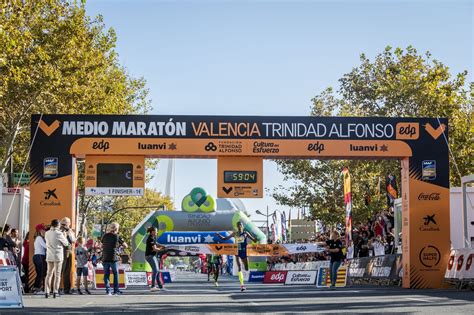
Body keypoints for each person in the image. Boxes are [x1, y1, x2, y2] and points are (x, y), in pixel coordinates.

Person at [216, 221, 256, 292]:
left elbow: (254, 240)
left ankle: (245, 270)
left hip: (244, 251)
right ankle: (242, 285)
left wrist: (255, 237)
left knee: (246, 268)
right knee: (239, 267)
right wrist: (219, 235)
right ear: (237, 227)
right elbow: (225, 239)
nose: (240, 226)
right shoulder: (235, 233)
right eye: (238, 225)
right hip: (237, 251)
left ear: (242, 226)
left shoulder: (246, 233)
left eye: (241, 225)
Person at [45, 219, 70, 298]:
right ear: (58, 225)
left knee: (49, 274)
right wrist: (65, 236)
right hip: (58, 256)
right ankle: (55, 291)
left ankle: (47, 291)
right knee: (57, 274)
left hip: (49, 255)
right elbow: (66, 243)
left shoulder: (47, 233)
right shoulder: (59, 233)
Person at [101, 222, 127, 296]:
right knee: (115, 274)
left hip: (105, 257)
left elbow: (102, 244)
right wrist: (119, 249)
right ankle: (116, 290)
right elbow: (125, 245)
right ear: (116, 228)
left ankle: (108, 290)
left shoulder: (104, 236)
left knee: (106, 275)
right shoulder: (117, 236)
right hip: (113, 257)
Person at [145, 226, 164, 292]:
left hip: (152, 256)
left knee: (157, 270)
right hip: (149, 256)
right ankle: (152, 286)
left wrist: (162, 245)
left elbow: (156, 244)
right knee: (155, 270)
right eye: (156, 231)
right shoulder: (150, 238)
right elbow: (155, 249)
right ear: (152, 232)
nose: (157, 232)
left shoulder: (154, 237)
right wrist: (162, 249)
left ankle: (160, 286)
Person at [60, 217, 76, 294]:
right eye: (64, 223)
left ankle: (67, 289)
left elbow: (73, 240)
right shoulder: (59, 230)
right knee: (60, 271)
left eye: (67, 223)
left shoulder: (70, 231)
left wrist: (70, 232)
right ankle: (58, 288)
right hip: (61, 252)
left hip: (69, 252)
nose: (66, 225)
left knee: (67, 271)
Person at [32, 224, 47, 293]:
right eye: (44, 230)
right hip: (39, 256)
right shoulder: (39, 238)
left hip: (38, 256)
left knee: (40, 273)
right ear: (41, 230)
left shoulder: (39, 238)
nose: (45, 231)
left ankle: (36, 288)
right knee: (40, 273)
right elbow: (45, 246)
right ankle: (36, 288)